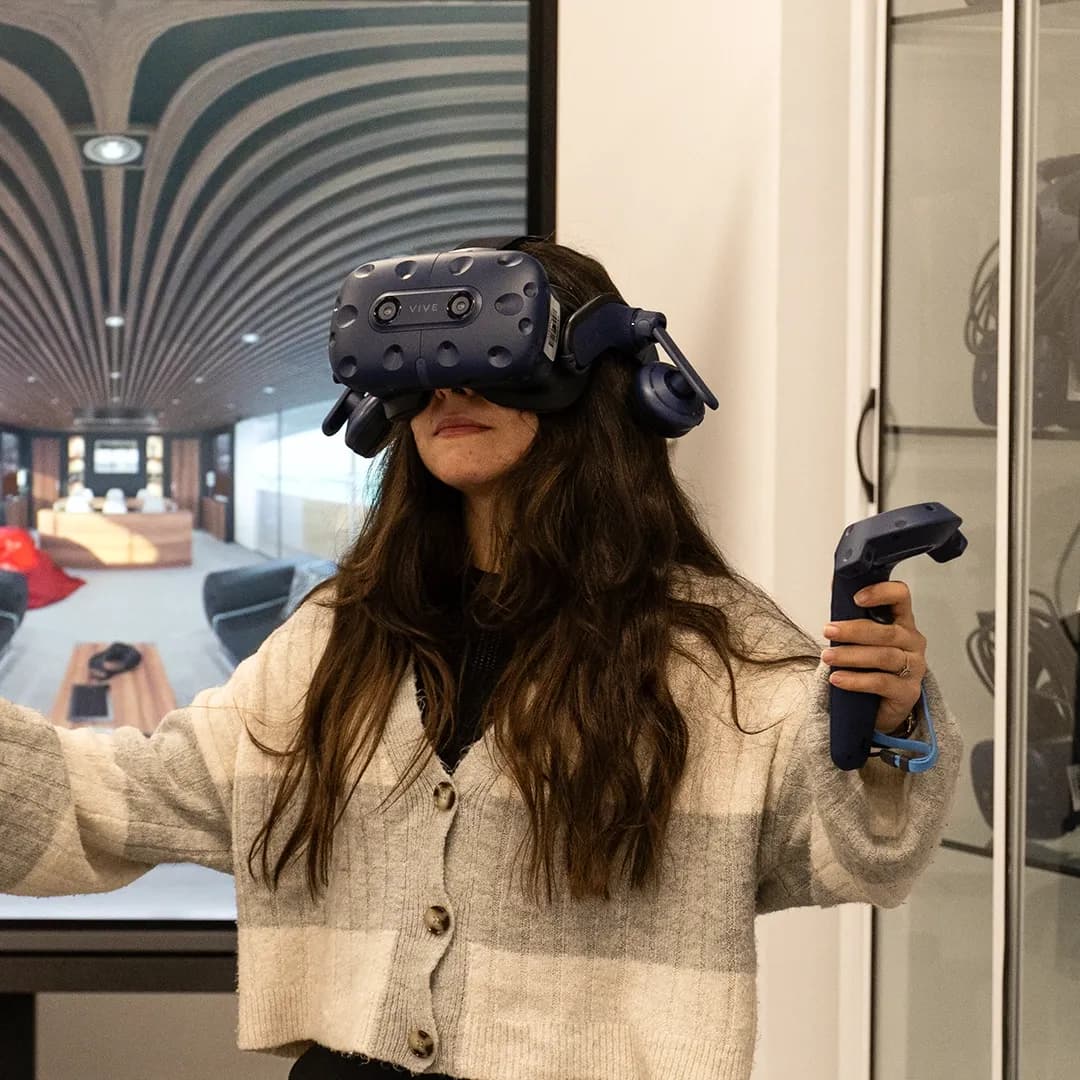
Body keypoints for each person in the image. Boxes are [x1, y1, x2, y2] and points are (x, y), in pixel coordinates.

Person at [0, 241, 961, 1080]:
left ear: (605, 381)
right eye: (419, 365)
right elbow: (127, 798)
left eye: (491, 353)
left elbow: (860, 852)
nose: (450, 391)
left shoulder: (710, 655)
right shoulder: (338, 641)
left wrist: (886, 719)